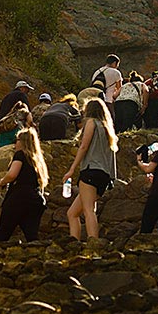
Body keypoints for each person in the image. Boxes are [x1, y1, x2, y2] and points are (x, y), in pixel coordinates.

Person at [61, 99, 119, 240]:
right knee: (72, 213)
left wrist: (72, 169)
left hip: (90, 170)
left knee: (88, 211)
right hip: (104, 175)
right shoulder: (107, 130)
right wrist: (112, 177)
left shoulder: (91, 123)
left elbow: (84, 146)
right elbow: (112, 156)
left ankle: (93, 243)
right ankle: (74, 242)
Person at [0, 129, 49, 242]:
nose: (15, 143)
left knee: (2, 236)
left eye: (17, 140)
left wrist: (2, 181)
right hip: (35, 199)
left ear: (23, 142)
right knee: (32, 236)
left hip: (18, 198)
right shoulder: (37, 160)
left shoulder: (20, 155)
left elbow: (12, 175)